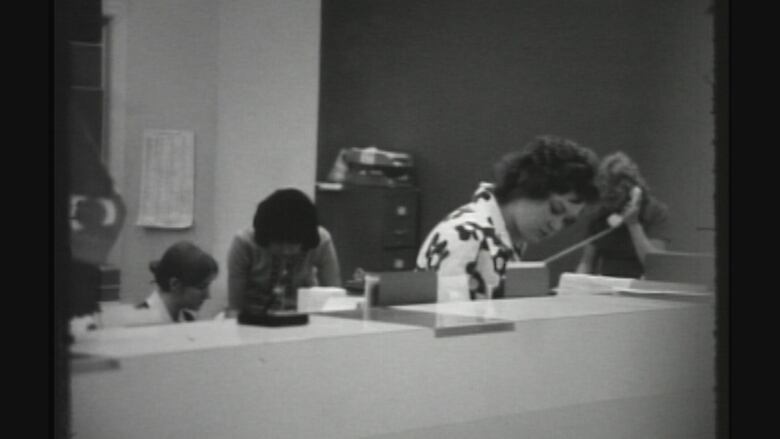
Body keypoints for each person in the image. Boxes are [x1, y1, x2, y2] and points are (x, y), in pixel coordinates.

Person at [416, 135, 600, 302]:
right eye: (555, 209)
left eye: (567, 221)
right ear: (530, 185)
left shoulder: (506, 239)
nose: (556, 225)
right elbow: (447, 331)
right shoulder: (468, 237)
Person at [227, 188, 341, 313]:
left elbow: (334, 297)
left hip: (304, 318)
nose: (286, 251)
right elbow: (235, 307)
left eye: (293, 243)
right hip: (253, 318)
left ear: (305, 239)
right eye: (278, 243)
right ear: (265, 236)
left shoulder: (322, 241)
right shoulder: (244, 243)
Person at [576, 151, 670, 278]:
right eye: (606, 198)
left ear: (632, 190)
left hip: (641, 287)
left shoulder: (655, 212)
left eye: (614, 197)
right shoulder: (600, 213)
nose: (610, 205)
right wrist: (574, 286)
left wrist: (633, 225)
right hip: (607, 287)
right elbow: (586, 262)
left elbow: (656, 265)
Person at [135, 241, 219, 323]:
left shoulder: (188, 318)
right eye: (201, 287)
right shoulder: (138, 323)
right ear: (175, 284)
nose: (208, 296)